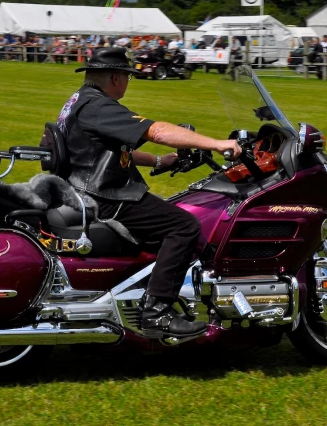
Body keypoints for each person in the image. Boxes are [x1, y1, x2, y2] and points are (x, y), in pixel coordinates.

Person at [58, 48, 241, 339]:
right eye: (128, 76)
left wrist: (159, 161)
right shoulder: (100, 107)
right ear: (116, 77)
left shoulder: (79, 100)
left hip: (84, 188)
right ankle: (158, 313)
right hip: (105, 196)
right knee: (184, 225)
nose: (128, 82)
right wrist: (216, 144)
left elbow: (110, 147)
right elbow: (157, 131)